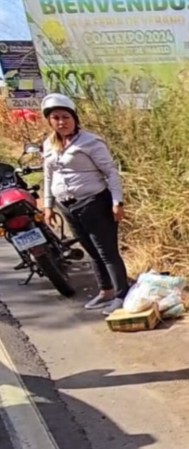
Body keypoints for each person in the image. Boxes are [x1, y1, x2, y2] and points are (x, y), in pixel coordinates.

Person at [41, 93, 129, 315]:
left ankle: (121, 295)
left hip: (94, 202)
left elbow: (110, 172)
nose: (61, 122)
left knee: (106, 251)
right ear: (50, 121)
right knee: (90, 250)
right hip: (67, 205)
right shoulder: (49, 144)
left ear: (74, 118)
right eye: (56, 118)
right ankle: (105, 290)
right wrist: (48, 204)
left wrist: (117, 202)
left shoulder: (90, 142)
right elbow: (48, 175)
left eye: (65, 117)